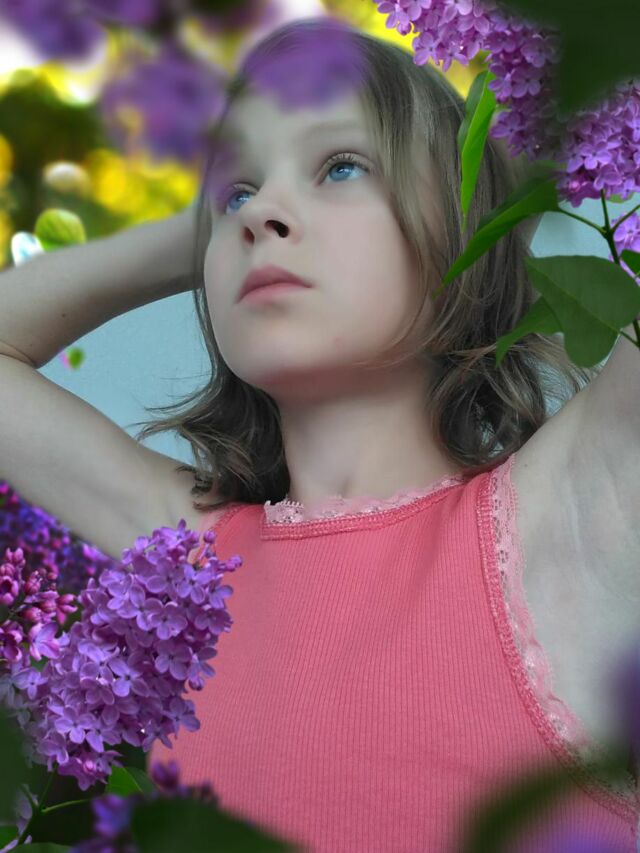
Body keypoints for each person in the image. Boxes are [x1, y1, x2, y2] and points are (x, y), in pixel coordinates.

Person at [0, 16, 636, 853]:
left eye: (341, 166)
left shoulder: (572, 511)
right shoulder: (192, 561)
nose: (260, 212)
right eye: (237, 191)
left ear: (463, 225)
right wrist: (197, 234)